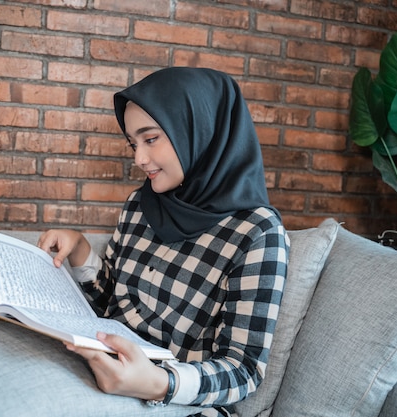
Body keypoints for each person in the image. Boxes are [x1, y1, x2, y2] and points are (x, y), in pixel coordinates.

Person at [37, 67, 289, 416]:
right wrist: (80, 250)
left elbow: (242, 370)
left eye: (150, 139)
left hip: (180, 401)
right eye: (133, 143)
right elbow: (113, 304)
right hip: (103, 366)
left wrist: (158, 382)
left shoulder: (257, 232)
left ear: (198, 130)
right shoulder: (141, 205)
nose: (139, 159)